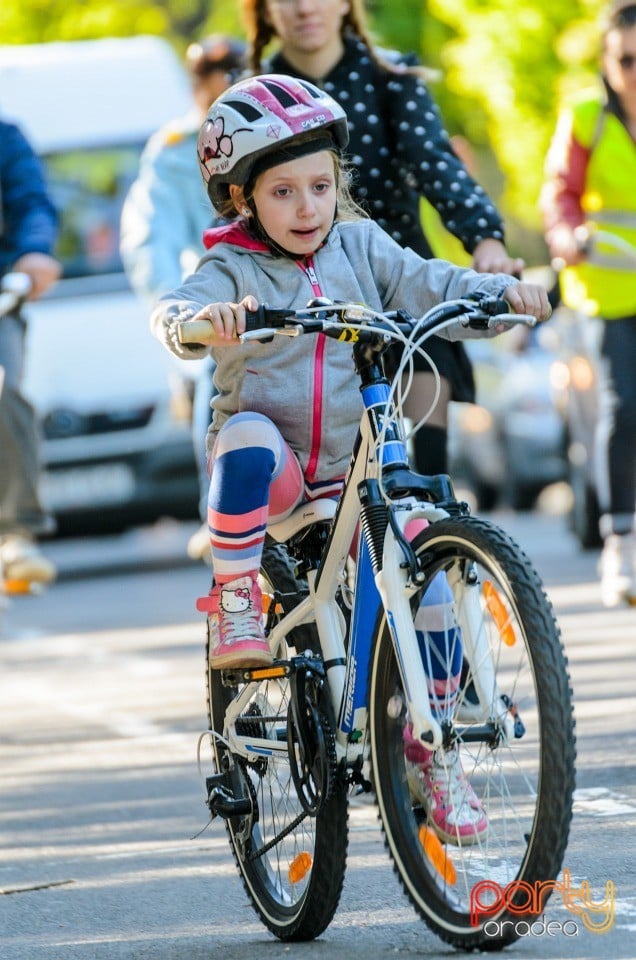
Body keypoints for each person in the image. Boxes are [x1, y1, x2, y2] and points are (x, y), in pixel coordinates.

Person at [150, 76, 550, 843]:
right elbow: (176, 311)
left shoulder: (359, 245)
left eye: (321, 187)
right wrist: (206, 322)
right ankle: (236, 595)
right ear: (242, 201)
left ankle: (431, 751)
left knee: (423, 554)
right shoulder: (233, 267)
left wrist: (497, 294)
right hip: (276, 471)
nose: (308, 208)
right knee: (245, 440)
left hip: (351, 462)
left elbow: (431, 281)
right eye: (284, 192)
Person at [239, 0, 526, 479]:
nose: (305, 8)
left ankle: (435, 547)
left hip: (401, 280)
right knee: (334, 485)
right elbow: (233, 203)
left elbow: (436, 165)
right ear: (264, 10)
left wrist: (486, 242)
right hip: (301, 292)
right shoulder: (252, 96)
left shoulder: (392, 77)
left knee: (423, 474)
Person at [120, 34, 246, 563]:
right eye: (213, 76)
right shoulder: (175, 150)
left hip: (282, 284)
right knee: (211, 374)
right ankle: (213, 513)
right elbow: (153, 237)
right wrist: (178, 306)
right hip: (211, 295)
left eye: (235, 71)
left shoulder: (276, 127)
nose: (225, 83)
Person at [541, 1, 636, 607]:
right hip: (606, 289)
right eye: (627, 60)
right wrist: (568, 235)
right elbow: (558, 194)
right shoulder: (584, 117)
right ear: (607, 62)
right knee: (622, 408)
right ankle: (621, 545)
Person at [0, 118, 61, 587]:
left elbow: (32, 205)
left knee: (3, 388)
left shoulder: (6, 136)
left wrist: (34, 251)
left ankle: (14, 534)